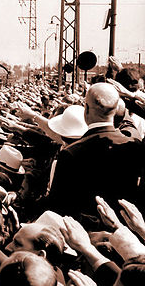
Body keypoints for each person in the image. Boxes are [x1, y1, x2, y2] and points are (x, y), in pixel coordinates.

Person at [48, 83, 145, 230]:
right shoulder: (136, 147)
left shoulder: (70, 154)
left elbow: (58, 210)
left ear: (86, 109)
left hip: (86, 238)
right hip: (129, 234)